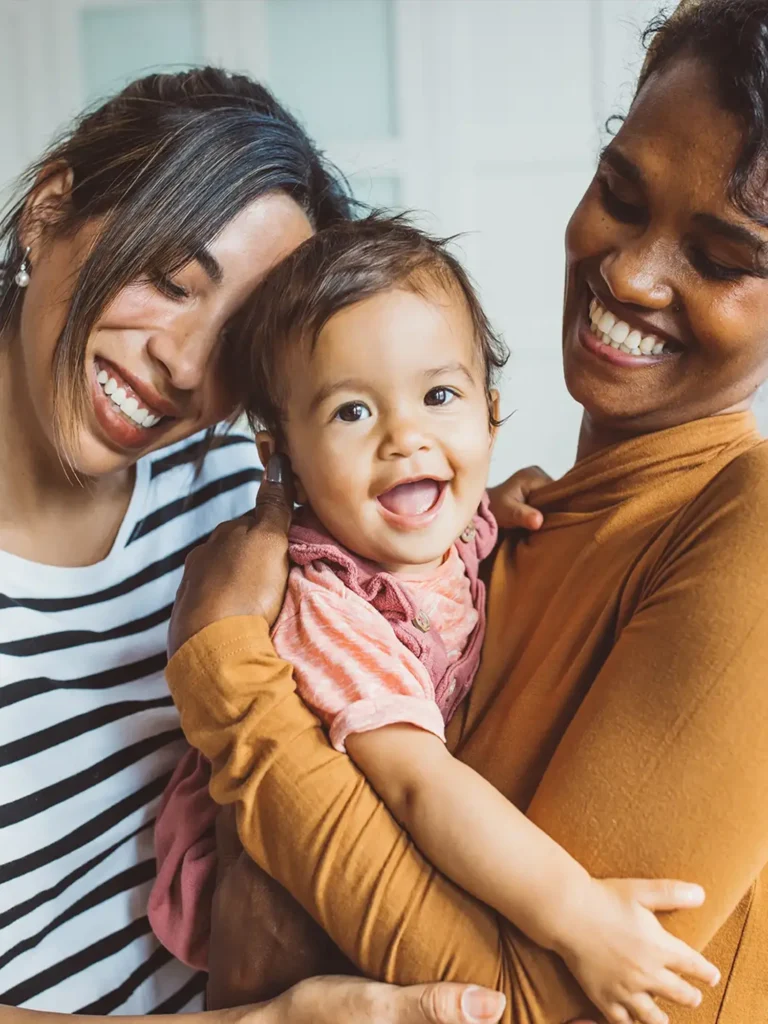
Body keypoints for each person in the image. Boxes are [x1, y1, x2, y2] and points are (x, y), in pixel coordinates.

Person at [164, 2, 768, 1023]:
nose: (627, 273)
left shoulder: (742, 525)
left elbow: (529, 1008)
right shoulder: (495, 523)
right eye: (618, 194)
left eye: (720, 257)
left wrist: (229, 681)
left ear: (480, 395)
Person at [0, 66, 515, 1024]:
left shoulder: (239, 494)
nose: (185, 368)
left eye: (235, 348)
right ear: (48, 210)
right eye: (168, 282)